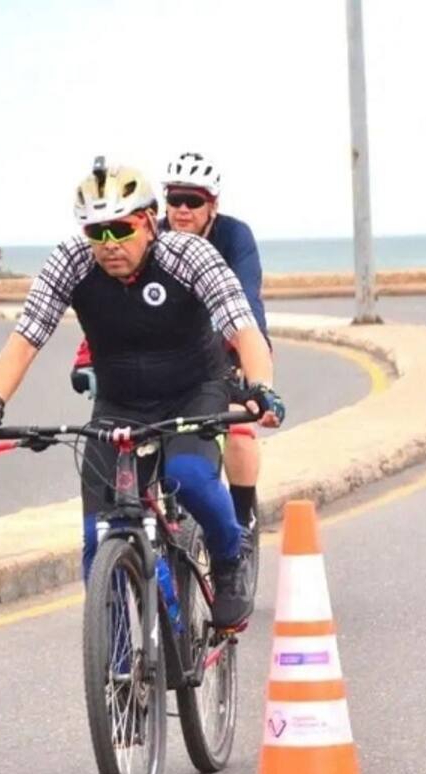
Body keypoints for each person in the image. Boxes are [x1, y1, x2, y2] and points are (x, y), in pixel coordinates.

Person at [0, 158, 284, 630]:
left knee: (190, 477)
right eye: (96, 232)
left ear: (149, 221)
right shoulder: (71, 261)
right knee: (97, 541)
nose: (108, 245)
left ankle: (231, 558)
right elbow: (26, 338)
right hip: (119, 404)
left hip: (193, 392)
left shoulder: (189, 255)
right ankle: (116, 672)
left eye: (120, 229)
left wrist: (261, 388)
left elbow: (243, 325)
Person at [71, 150, 269, 530]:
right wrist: (85, 358)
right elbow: (112, 315)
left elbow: (245, 303)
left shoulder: (234, 236)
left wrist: (248, 371)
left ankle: (242, 519)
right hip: (159, 357)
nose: (181, 209)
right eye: (174, 199)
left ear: (212, 206)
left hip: (225, 348)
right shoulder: (146, 238)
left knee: (240, 431)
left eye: (193, 201)